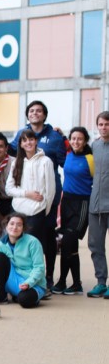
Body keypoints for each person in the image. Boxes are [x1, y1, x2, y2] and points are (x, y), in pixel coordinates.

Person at [9, 100, 66, 287]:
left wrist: (47, 206)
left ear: (44, 114)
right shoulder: (21, 133)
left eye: (39, 111)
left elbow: (64, 161)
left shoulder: (55, 137)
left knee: (47, 237)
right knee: (24, 237)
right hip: (25, 202)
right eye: (31, 110)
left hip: (46, 197)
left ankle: (48, 277)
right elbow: (9, 150)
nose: (35, 113)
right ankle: (23, 275)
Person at [6, 129, 55, 287]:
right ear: (20, 144)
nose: (28, 143)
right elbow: (9, 189)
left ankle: (40, 281)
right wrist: (27, 193)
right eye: (24, 140)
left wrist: (43, 210)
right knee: (18, 246)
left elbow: (50, 190)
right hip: (19, 210)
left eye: (31, 139)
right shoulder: (16, 162)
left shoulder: (45, 161)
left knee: (35, 247)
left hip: (37, 212)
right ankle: (21, 279)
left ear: (36, 141)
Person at [52, 127, 93, 295]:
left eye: (80, 139)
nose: (76, 141)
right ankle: (75, 283)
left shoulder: (90, 159)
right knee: (70, 244)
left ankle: (63, 280)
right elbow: (65, 141)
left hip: (83, 203)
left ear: (85, 141)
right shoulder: (68, 151)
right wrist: (61, 134)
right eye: (73, 138)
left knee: (69, 240)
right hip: (66, 201)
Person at [0, 213, 47, 308]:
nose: (15, 227)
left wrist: (29, 283)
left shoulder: (33, 242)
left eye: (19, 224)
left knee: (24, 300)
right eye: (12, 223)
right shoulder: (2, 244)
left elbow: (39, 268)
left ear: (23, 228)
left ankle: (26, 297)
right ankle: (2, 294)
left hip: (32, 283)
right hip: (12, 278)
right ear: (6, 226)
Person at [87, 111, 109, 298]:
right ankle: (101, 282)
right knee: (95, 246)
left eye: (107, 124)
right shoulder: (94, 145)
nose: (104, 128)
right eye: (101, 124)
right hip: (96, 206)